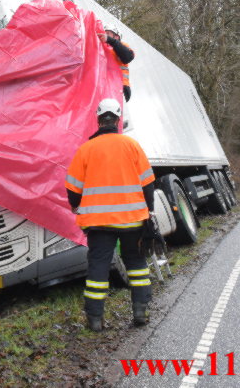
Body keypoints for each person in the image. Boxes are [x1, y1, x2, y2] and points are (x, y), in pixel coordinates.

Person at [65, 98, 156, 331]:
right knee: (136, 263)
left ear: (98, 119)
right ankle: (140, 312)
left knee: (98, 267)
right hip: (132, 220)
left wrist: (76, 206)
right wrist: (150, 210)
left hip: (98, 223)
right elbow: (147, 183)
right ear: (117, 119)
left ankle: (95, 320)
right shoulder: (131, 145)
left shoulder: (85, 149)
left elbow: (73, 189)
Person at [97, 23, 135, 102]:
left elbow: (128, 57)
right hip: (102, 88)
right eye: (104, 33)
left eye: (108, 33)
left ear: (117, 37)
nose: (105, 35)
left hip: (119, 88)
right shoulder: (100, 48)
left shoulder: (122, 46)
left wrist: (111, 41)